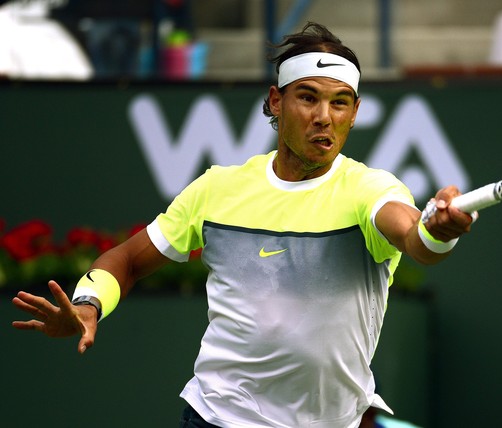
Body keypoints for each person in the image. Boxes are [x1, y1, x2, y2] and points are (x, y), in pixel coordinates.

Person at [11, 22, 475, 428]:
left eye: (339, 103)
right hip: (217, 417)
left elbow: (416, 239)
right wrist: (89, 304)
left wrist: (439, 230)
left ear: (354, 112)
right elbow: (128, 260)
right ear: (276, 101)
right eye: (307, 98)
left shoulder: (371, 189)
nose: (323, 118)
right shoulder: (218, 189)